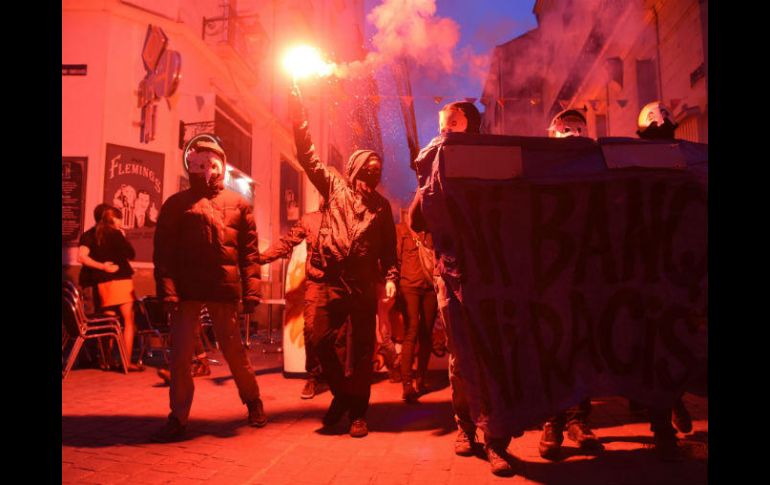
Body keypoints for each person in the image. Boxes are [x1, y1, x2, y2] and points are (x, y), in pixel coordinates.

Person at [410, 101, 514, 476]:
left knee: (492, 356)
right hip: (451, 277)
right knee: (461, 359)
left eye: (453, 122)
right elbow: (415, 220)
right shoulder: (437, 167)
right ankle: (465, 428)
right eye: (442, 123)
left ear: (471, 125)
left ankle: (496, 440)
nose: (446, 129)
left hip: (490, 277)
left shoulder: (493, 163)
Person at [290, 85, 399, 438]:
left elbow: (388, 248)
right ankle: (342, 394)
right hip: (333, 281)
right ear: (353, 170)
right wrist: (297, 107)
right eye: (367, 169)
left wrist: (392, 274)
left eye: (377, 170)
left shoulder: (382, 208)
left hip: (364, 285)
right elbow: (307, 156)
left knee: (363, 352)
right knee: (320, 340)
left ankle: (357, 414)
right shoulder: (334, 187)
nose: (372, 174)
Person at [151, 133, 266, 442]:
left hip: (222, 289)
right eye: (200, 164)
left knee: (234, 352)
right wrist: (169, 290)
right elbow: (164, 253)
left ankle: (253, 400)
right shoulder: (176, 205)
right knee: (181, 357)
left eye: (212, 164)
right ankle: (178, 416)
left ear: (222, 167)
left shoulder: (239, 205)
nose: (206, 171)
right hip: (186, 291)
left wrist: (252, 291)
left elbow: (248, 253)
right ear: (191, 165)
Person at [538, 108, 603, 460]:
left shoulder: (595, 174)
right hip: (550, 279)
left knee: (581, 348)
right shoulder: (539, 175)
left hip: (583, 276)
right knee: (553, 348)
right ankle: (552, 421)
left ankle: (579, 419)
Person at [636, 100, 692, 461]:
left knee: (674, 347)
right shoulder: (629, 168)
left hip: (676, 274)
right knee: (653, 351)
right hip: (640, 276)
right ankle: (661, 423)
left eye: (665, 134)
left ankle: (672, 404)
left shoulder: (684, 165)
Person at [257, 211, 327, 400]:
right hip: (316, 281)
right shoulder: (311, 219)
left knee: (341, 332)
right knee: (311, 328)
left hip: (342, 283)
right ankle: (313, 376)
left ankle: (336, 378)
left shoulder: (347, 214)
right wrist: (262, 258)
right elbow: (287, 241)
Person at [78, 203, 143, 372]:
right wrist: (123, 235)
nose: (121, 220)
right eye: (118, 217)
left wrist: (102, 267)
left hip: (103, 283)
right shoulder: (116, 234)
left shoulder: (90, 235)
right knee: (128, 321)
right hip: (121, 281)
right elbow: (130, 253)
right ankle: (126, 361)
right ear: (111, 218)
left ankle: (106, 361)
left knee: (109, 322)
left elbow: (82, 257)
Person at [396, 215, 437, 403]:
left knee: (426, 334)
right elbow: (395, 259)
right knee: (411, 332)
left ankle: (420, 379)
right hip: (409, 287)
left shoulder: (434, 230)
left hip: (430, 287)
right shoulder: (402, 230)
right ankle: (407, 384)